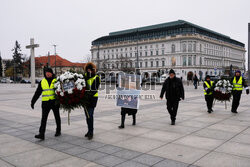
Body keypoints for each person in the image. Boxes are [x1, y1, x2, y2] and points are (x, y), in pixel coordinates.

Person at [31, 67, 61, 140]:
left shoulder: (56, 81)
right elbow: (37, 93)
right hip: (45, 103)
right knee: (43, 119)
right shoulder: (42, 82)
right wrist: (33, 101)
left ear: (51, 73)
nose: (47, 73)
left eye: (49, 72)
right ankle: (41, 134)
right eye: (46, 72)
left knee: (57, 117)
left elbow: (61, 91)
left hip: (54, 102)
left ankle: (58, 130)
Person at [84, 62, 100, 140]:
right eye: (87, 70)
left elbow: (94, 89)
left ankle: (91, 132)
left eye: (90, 70)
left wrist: (87, 95)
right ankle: (89, 130)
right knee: (87, 116)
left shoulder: (96, 77)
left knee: (90, 115)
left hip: (93, 98)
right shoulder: (84, 77)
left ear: (93, 70)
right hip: (85, 99)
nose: (89, 71)